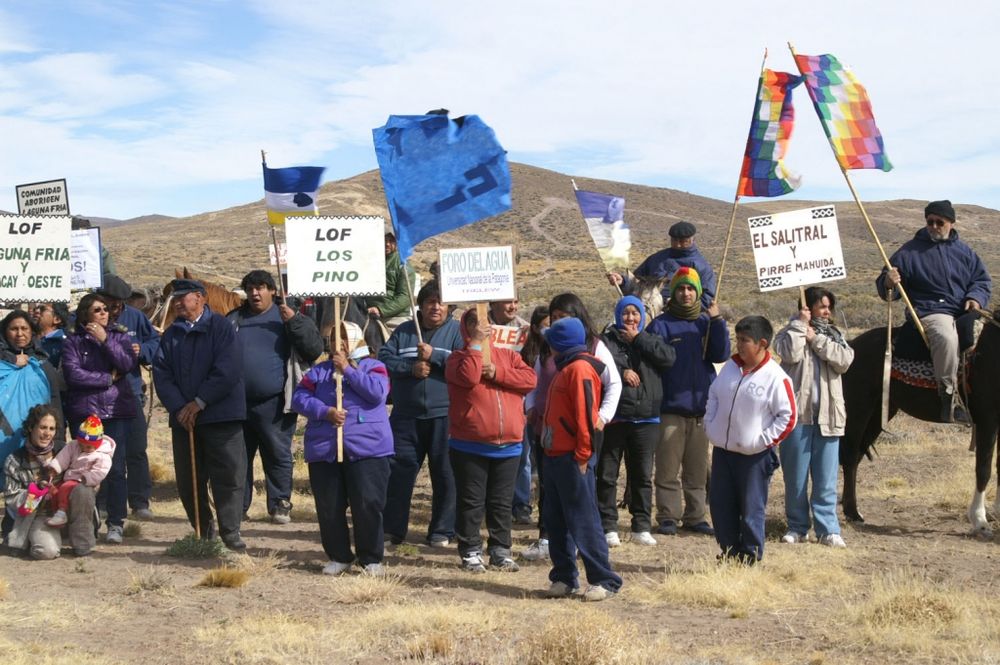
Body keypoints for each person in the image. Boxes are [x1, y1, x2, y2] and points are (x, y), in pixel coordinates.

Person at [522, 293, 622, 560]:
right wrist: (530, 407)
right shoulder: (549, 348)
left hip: (579, 441)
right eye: (553, 319)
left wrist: (602, 416)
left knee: (580, 504)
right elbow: (533, 380)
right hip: (548, 436)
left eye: (562, 319)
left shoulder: (587, 357)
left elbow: (613, 384)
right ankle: (556, 556)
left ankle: (600, 573)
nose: (554, 325)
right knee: (551, 497)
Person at [153, 278, 248, 551]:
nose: (179, 302)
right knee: (188, 479)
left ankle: (231, 532)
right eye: (176, 298)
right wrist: (180, 407)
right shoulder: (171, 334)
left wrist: (200, 401)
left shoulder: (222, 327)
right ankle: (202, 532)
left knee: (228, 475)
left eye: (184, 296)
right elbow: (162, 374)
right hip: (185, 419)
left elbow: (227, 369)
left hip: (221, 415)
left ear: (201, 297)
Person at [876, 200, 991, 423]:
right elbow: (887, 288)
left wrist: (975, 297)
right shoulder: (908, 252)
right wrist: (888, 281)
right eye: (930, 222)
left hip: (963, 310)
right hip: (930, 311)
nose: (935, 226)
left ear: (951, 223)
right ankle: (949, 396)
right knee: (946, 337)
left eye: (940, 222)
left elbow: (981, 280)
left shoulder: (964, 252)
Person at [293, 322, 392, 576]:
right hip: (326, 447)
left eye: (346, 338)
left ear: (357, 340)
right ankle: (339, 555)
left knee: (367, 503)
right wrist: (324, 412)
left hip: (367, 448)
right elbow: (299, 398)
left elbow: (377, 394)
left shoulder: (374, 366)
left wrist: (347, 369)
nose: (340, 343)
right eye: (335, 338)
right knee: (329, 505)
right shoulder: (319, 372)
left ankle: (370, 558)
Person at [227, 270, 323, 524]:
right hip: (237, 403)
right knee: (238, 458)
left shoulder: (287, 316)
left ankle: (280, 504)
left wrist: (295, 322)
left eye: (260, 288)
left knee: (277, 454)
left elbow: (314, 350)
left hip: (275, 401)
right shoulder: (233, 319)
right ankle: (239, 507)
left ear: (272, 290)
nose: (255, 293)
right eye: (250, 289)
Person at [446, 309, 536, 573]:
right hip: (469, 444)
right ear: (466, 328)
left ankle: (500, 550)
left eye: (482, 322)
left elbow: (530, 379)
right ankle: (471, 550)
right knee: (472, 501)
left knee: (501, 501)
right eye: (473, 323)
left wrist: (497, 372)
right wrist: (475, 345)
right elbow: (469, 377)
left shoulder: (508, 355)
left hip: (508, 444)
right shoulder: (457, 358)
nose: (479, 327)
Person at [540, 317, 622, 602]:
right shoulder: (567, 368)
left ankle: (604, 579)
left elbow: (586, 418)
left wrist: (583, 454)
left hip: (573, 458)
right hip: (554, 456)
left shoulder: (580, 370)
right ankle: (564, 577)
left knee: (583, 519)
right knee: (556, 519)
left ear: (560, 344)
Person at [378, 280, 463, 547]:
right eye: (429, 302)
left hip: (445, 416)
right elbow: (383, 358)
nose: (435, 307)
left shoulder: (459, 332)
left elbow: (467, 364)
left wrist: (435, 356)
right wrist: (409, 367)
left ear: (449, 307)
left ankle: (442, 530)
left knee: (445, 475)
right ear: (421, 306)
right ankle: (393, 529)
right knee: (398, 474)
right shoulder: (404, 331)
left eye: (441, 302)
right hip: (406, 417)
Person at [705, 316, 796, 564]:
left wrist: (760, 442)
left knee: (751, 509)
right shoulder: (730, 368)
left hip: (754, 458)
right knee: (721, 505)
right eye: (737, 338)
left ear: (762, 343)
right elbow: (713, 396)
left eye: (745, 340)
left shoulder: (776, 378)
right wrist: (711, 426)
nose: (739, 345)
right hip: (724, 452)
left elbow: (788, 417)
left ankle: (751, 557)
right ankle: (729, 552)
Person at [648, 267, 730, 537]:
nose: (685, 293)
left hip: (701, 410)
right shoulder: (660, 325)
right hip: (670, 409)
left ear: (697, 292)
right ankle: (668, 516)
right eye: (681, 288)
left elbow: (721, 355)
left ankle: (696, 516)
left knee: (696, 470)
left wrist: (717, 321)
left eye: (690, 288)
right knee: (668, 469)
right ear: (674, 291)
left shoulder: (706, 322)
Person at [773, 287, 854, 548]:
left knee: (826, 477)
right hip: (798, 417)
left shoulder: (835, 336)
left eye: (829, 306)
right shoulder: (788, 333)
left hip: (829, 418)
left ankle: (828, 529)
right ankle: (797, 526)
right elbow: (789, 354)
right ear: (806, 307)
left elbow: (844, 361)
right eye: (821, 306)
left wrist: (816, 339)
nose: (827, 311)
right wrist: (800, 327)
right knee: (795, 477)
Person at [598, 295, 675, 546]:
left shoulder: (651, 338)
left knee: (642, 475)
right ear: (617, 314)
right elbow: (599, 365)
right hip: (615, 418)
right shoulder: (606, 341)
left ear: (643, 316)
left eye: (635, 313)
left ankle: (641, 525)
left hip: (646, 418)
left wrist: (638, 339)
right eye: (625, 313)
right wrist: (622, 371)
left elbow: (668, 358)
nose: (630, 318)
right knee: (608, 474)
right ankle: (608, 525)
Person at [61, 293, 138, 544]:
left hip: (115, 412)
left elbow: (127, 364)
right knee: (81, 469)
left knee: (115, 470)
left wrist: (105, 341)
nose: (104, 313)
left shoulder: (119, 336)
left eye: (106, 309)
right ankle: (87, 523)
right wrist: (106, 379)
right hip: (84, 414)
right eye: (97, 310)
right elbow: (74, 375)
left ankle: (116, 523)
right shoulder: (73, 342)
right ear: (85, 315)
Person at [96, 274, 160, 520]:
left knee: (136, 448)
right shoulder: (89, 317)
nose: (113, 309)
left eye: (117, 304)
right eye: (108, 303)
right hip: (98, 397)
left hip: (130, 393)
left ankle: (140, 501)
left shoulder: (135, 317)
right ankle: (104, 502)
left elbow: (155, 342)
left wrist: (142, 350)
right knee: (102, 451)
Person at [3, 404, 96, 558]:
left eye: (52, 429)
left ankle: (82, 545)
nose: (47, 433)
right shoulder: (15, 460)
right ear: (31, 428)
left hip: (66, 510)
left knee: (83, 489)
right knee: (47, 552)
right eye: (43, 427)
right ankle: (30, 539)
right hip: (40, 515)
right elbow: (11, 498)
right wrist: (34, 492)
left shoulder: (66, 451)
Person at [0, 310, 66, 491]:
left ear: (32, 332)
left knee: (30, 493)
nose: (19, 334)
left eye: (24, 328)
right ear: (5, 332)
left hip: (33, 440)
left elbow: (55, 402)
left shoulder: (42, 364)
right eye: (14, 329)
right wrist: (9, 359)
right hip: (3, 433)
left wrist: (59, 439)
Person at [609, 221, 717, 308]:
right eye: (675, 240)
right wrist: (623, 281)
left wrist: (678, 307)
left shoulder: (702, 267)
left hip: (682, 318)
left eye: (683, 241)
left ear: (692, 240)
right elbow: (637, 282)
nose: (678, 244)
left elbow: (706, 299)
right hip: (649, 311)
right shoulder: (656, 259)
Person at [512, 305, 549, 525]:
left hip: (547, 413)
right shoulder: (526, 348)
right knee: (523, 458)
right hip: (525, 409)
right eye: (544, 326)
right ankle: (521, 504)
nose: (549, 330)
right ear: (534, 328)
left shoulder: (556, 348)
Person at [45, 415, 114, 528]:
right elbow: (64, 457)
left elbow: (100, 471)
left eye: (88, 447)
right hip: (69, 477)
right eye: (81, 445)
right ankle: (56, 513)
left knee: (65, 489)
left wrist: (88, 478)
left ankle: (62, 513)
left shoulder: (102, 455)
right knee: (54, 492)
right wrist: (55, 467)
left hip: (84, 481)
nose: (83, 449)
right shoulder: (74, 446)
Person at [366, 232, 418, 328]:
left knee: (395, 341)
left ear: (397, 243)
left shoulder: (403, 266)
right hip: (367, 314)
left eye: (391, 241)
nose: (387, 244)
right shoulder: (369, 262)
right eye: (384, 240)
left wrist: (381, 310)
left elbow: (405, 297)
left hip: (395, 318)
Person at [32, 302, 70, 369]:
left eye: (43, 309)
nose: (37, 311)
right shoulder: (26, 339)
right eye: (35, 308)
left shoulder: (65, 345)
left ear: (57, 319)